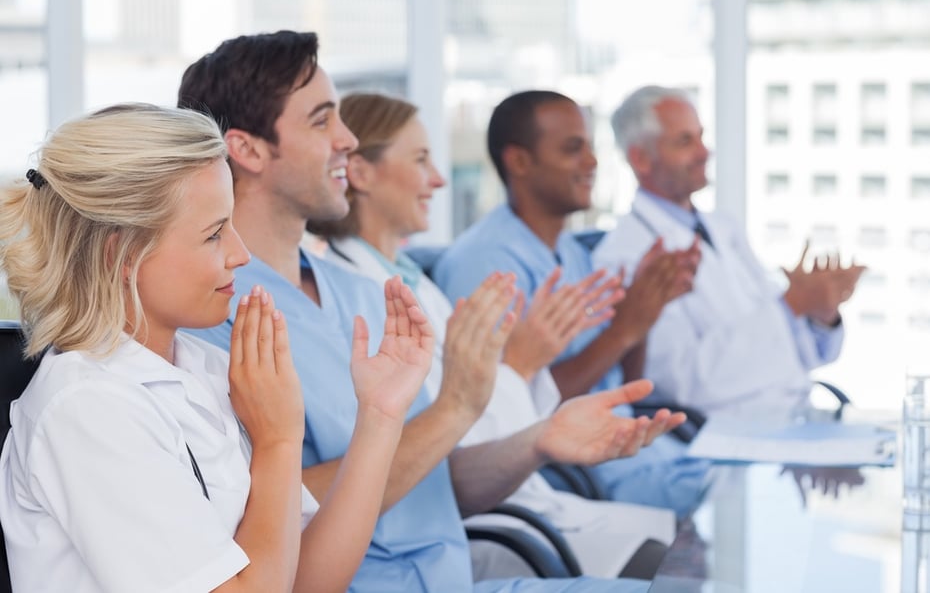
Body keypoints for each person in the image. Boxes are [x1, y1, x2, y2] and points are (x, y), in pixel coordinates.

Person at [179, 30, 678, 592]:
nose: (347, 140)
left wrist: (536, 442)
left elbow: (434, 486)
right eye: (321, 122)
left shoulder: (367, 294)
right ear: (247, 150)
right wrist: (453, 407)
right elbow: (268, 513)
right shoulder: (215, 319)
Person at [0, 104, 434, 592]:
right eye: (213, 234)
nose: (240, 254)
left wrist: (379, 415)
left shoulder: (207, 369)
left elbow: (308, 581)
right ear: (117, 254)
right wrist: (277, 442)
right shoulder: (85, 408)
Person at [309, 91, 679, 579]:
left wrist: (526, 365)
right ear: (359, 172)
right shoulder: (360, 300)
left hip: (522, 504)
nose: (440, 180)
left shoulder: (412, 284)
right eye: (421, 160)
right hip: (482, 526)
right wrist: (521, 363)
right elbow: (455, 436)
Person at [432, 90, 710, 517]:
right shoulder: (487, 264)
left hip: (635, 450)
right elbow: (505, 411)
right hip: (578, 475)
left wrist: (643, 311)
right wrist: (623, 330)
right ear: (520, 162)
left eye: (591, 147)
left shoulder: (573, 250)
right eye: (572, 149)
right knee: (737, 500)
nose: (592, 163)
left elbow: (620, 386)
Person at [594, 85, 864, 416]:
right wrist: (791, 304)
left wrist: (820, 315)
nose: (703, 152)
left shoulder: (723, 228)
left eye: (700, 137)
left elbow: (796, 351)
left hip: (792, 415)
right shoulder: (624, 254)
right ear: (640, 158)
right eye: (684, 141)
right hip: (725, 435)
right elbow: (678, 383)